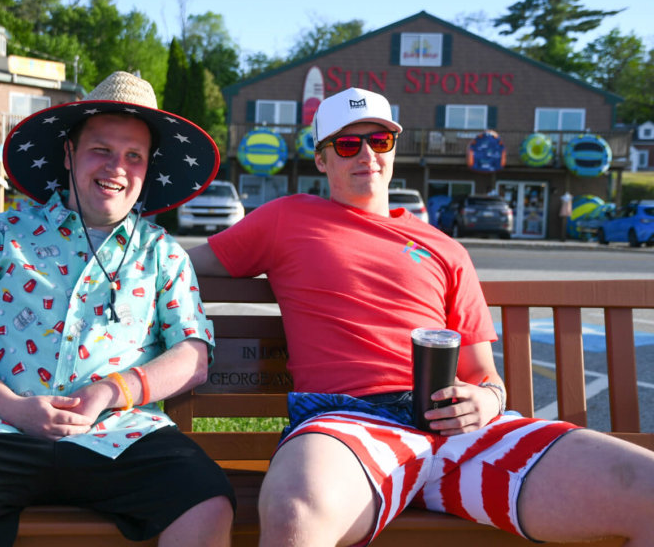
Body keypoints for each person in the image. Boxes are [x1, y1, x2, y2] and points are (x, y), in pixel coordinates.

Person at [188, 87, 654, 547]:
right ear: (322, 159)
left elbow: (484, 375)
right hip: (349, 424)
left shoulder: (444, 247)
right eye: (348, 144)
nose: (366, 153)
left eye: (380, 140)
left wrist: (486, 402)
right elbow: (180, 261)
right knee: (296, 514)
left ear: (393, 148)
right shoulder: (285, 218)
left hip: (461, 432)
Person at [0, 71, 235, 547]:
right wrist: (15, 408)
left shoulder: (162, 253)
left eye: (134, 156)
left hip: (117, 438)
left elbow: (193, 355)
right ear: (69, 153)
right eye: (101, 149)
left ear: (147, 168)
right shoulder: (4, 234)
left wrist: (110, 391)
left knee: (205, 502)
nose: (117, 167)